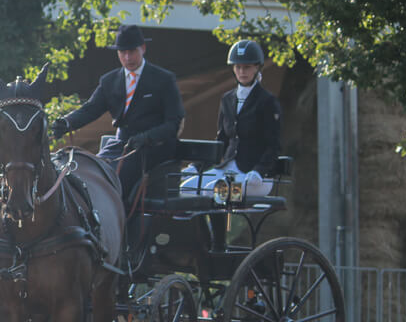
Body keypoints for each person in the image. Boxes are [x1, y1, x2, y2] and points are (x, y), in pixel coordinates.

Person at [51, 24, 185, 202]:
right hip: (122, 144)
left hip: (154, 147)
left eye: (132, 52)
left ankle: (120, 222)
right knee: (91, 168)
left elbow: (173, 123)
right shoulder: (109, 81)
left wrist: (147, 137)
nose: (127, 58)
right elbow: (90, 109)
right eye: (123, 53)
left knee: (117, 177)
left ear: (143, 49)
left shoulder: (163, 79)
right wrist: (67, 123)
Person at [180, 39, 282, 198]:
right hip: (228, 169)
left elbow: (273, 145)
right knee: (186, 190)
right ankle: (200, 223)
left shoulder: (267, 102)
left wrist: (259, 170)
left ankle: (219, 223)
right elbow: (221, 140)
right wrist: (197, 166)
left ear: (256, 67)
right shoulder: (227, 99)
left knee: (213, 190)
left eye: (247, 67)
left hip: (257, 178)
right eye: (238, 67)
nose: (242, 72)